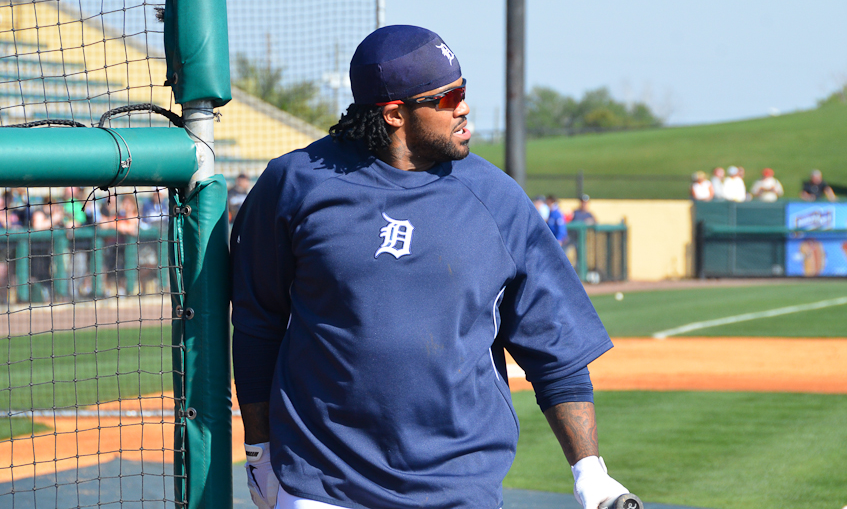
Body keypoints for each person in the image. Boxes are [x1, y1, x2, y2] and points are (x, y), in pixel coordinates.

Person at [230, 25, 633, 509]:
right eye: (448, 97)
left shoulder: (497, 199)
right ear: (395, 113)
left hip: (459, 483)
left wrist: (590, 471)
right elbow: (257, 322)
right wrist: (259, 449)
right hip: (324, 482)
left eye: (464, 90)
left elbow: (555, 350)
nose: (464, 107)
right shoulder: (295, 184)